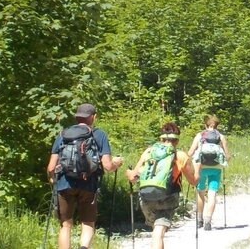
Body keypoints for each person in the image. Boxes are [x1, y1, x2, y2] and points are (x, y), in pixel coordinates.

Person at [46, 103, 124, 249]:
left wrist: (53, 180)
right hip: (88, 184)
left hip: (64, 183)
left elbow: (51, 167)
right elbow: (107, 166)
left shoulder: (63, 134)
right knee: (87, 223)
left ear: (77, 117)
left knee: (65, 225)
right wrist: (117, 164)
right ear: (93, 117)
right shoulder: (98, 135)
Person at [126, 122, 197, 249]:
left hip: (146, 197)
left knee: (157, 232)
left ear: (161, 138)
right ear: (177, 140)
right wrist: (198, 169)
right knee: (158, 233)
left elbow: (133, 177)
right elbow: (193, 181)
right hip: (168, 198)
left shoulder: (149, 151)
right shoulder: (180, 155)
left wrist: (129, 173)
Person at [187, 114, 231, 231]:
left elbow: (190, 153)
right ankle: (208, 220)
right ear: (217, 125)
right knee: (212, 193)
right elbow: (227, 156)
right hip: (216, 168)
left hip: (200, 167)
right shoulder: (221, 137)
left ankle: (200, 219)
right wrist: (225, 159)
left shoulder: (200, 136)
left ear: (205, 125)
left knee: (200, 191)